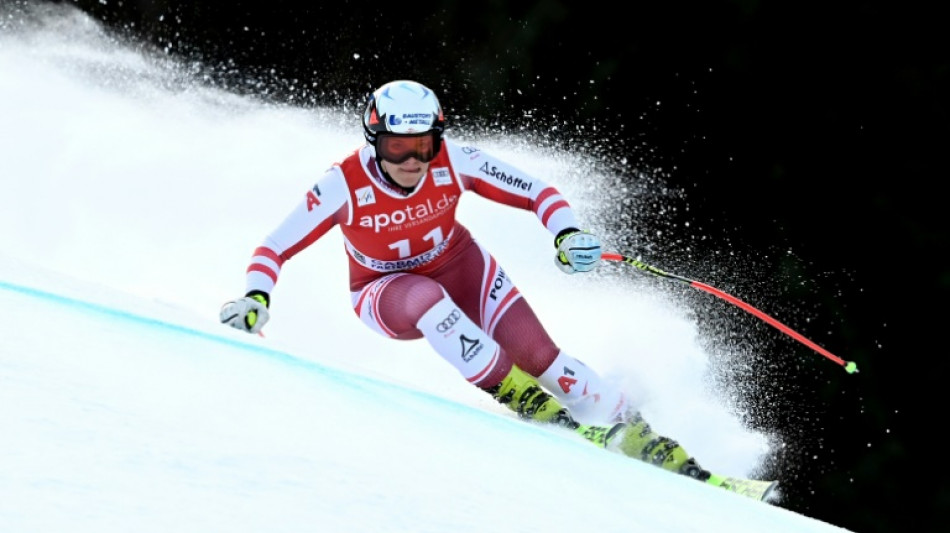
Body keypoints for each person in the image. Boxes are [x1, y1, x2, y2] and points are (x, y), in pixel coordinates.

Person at [220, 80, 770, 498]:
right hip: (386, 292)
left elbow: (538, 191)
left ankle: (641, 432)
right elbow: (274, 245)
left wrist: (568, 234)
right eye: (396, 147)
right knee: (428, 302)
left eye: (423, 146)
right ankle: (520, 397)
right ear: (374, 141)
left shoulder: (454, 161)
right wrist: (256, 297)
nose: (412, 161)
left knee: (542, 356)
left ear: (438, 138)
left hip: (462, 265)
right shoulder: (342, 183)